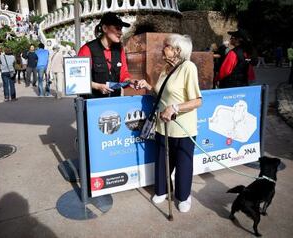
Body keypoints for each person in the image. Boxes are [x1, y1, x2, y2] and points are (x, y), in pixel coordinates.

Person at [136, 34, 202, 213]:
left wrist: (174, 108)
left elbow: (197, 101)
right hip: (162, 126)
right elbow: (161, 95)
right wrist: (148, 86)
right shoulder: (166, 69)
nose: (162, 48)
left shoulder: (188, 67)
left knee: (183, 164)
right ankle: (163, 190)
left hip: (183, 128)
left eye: (166, 46)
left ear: (177, 51)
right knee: (162, 162)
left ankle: (183, 196)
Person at [77, 12, 133, 98]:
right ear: (105, 28)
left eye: (121, 29)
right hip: (92, 103)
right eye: (117, 28)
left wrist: (130, 81)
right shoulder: (87, 49)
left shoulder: (120, 49)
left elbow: (123, 73)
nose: (121, 33)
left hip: (113, 101)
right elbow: (79, 79)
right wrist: (97, 86)